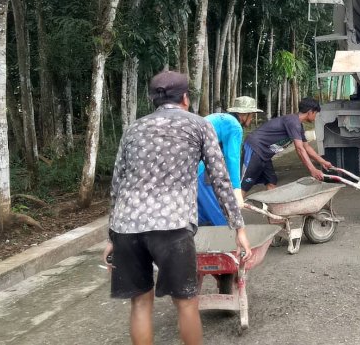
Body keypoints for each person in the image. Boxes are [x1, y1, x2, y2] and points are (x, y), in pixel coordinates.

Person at [103, 71, 251, 345]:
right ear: (185, 98)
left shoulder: (133, 129)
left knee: (140, 304)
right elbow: (220, 179)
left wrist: (112, 237)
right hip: (171, 226)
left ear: (153, 99)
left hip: (127, 227)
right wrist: (238, 227)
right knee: (186, 303)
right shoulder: (198, 125)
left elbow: (117, 185)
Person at [240, 98, 333, 197]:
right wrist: (312, 169)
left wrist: (322, 162)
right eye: (316, 114)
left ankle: (270, 208)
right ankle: (232, 209)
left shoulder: (298, 125)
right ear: (310, 112)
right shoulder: (292, 121)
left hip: (264, 154)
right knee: (244, 185)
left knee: (271, 181)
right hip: (255, 148)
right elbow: (300, 149)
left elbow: (306, 147)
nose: (316, 117)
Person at [197, 96, 261, 226]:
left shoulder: (222, 119)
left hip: (189, 167)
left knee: (201, 213)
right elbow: (233, 158)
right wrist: (237, 190)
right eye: (252, 115)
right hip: (202, 169)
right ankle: (230, 242)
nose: (253, 118)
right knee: (221, 215)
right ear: (243, 114)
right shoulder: (234, 126)